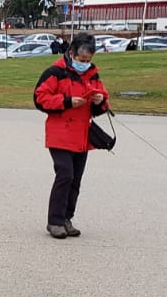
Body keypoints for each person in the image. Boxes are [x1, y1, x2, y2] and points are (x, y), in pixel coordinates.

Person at [33, 33, 110, 239]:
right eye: (81, 59)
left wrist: (99, 100)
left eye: (88, 60)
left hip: (82, 134)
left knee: (75, 179)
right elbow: (40, 98)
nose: (85, 63)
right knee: (65, 174)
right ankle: (55, 221)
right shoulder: (55, 72)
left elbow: (102, 104)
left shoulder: (92, 73)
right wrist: (66, 101)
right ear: (71, 53)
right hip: (60, 132)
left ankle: (67, 217)